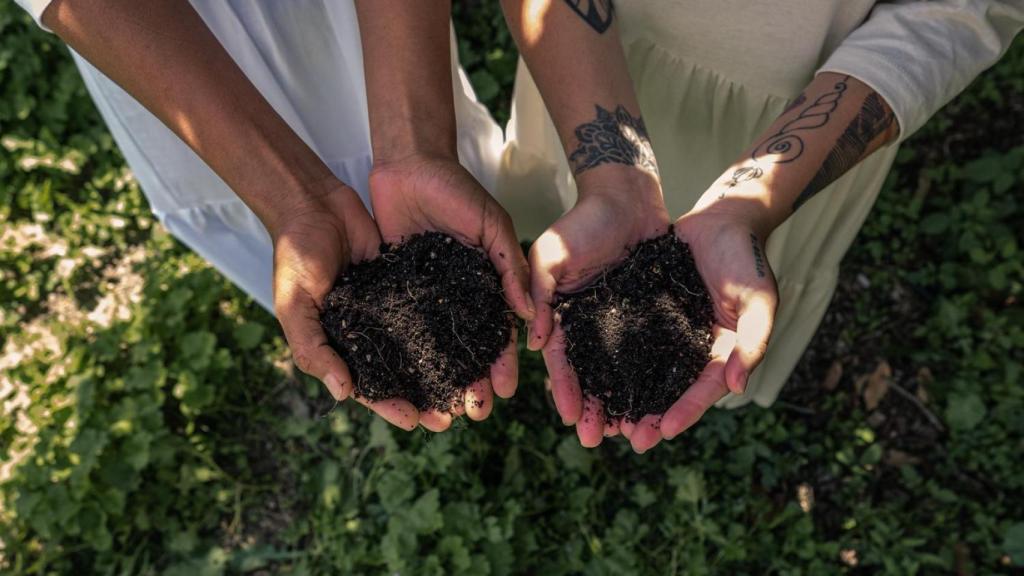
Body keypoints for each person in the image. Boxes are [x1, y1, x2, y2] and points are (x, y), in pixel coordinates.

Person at [17, 0, 1022, 452]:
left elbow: (959, 7)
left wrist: (747, 201)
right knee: (542, 217)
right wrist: (616, 172)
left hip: (815, 79)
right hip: (592, 51)